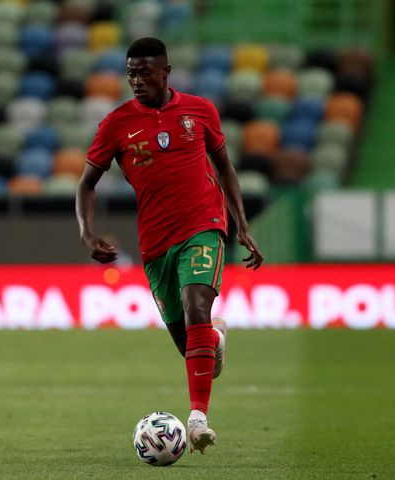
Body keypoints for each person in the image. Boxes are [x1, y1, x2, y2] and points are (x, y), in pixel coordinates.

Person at [75, 37, 264, 454]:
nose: (137, 81)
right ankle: (213, 339)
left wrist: (241, 224)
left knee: (197, 303)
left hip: (204, 224)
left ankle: (197, 421)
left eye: (144, 72)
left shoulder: (201, 111)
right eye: (130, 74)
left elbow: (225, 168)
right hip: (156, 242)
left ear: (166, 72)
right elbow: (87, 183)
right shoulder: (116, 124)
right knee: (191, 346)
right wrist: (87, 233)